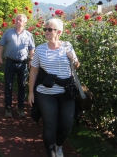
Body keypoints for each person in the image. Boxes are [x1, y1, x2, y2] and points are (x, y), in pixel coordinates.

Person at [28, 18, 80, 157]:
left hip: (66, 92)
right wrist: (31, 92)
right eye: (45, 29)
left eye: (50, 29)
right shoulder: (40, 49)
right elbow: (33, 71)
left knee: (67, 124)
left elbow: (76, 66)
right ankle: (51, 153)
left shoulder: (68, 46)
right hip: (45, 92)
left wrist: (73, 59)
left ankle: (58, 145)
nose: (46, 31)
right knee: (50, 125)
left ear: (59, 32)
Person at [0, 14, 35, 118]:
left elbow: (32, 49)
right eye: (17, 19)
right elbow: (1, 45)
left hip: (22, 64)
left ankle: (20, 108)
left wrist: (31, 59)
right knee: (8, 85)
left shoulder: (28, 35)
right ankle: (8, 108)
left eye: (20, 20)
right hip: (10, 62)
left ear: (24, 23)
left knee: (22, 86)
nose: (18, 21)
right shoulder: (8, 32)